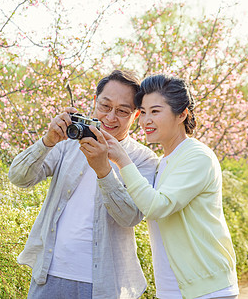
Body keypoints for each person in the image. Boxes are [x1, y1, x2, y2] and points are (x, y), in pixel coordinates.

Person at [8, 70, 159, 299]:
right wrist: (47, 141)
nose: (110, 117)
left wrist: (103, 170)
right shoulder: (68, 143)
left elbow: (131, 216)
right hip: (50, 274)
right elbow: (19, 178)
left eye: (122, 111)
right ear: (94, 102)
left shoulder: (143, 159)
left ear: (135, 115)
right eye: (105, 106)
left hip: (105, 285)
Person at [87, 74, 239, 299]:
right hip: (173, 290)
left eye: (155, 111)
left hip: (208, 290)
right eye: (144, 112)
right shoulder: (163, 163)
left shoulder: (198, 157)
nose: (146, 120)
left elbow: (157, 207)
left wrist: (122, 160)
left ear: (182, 114)